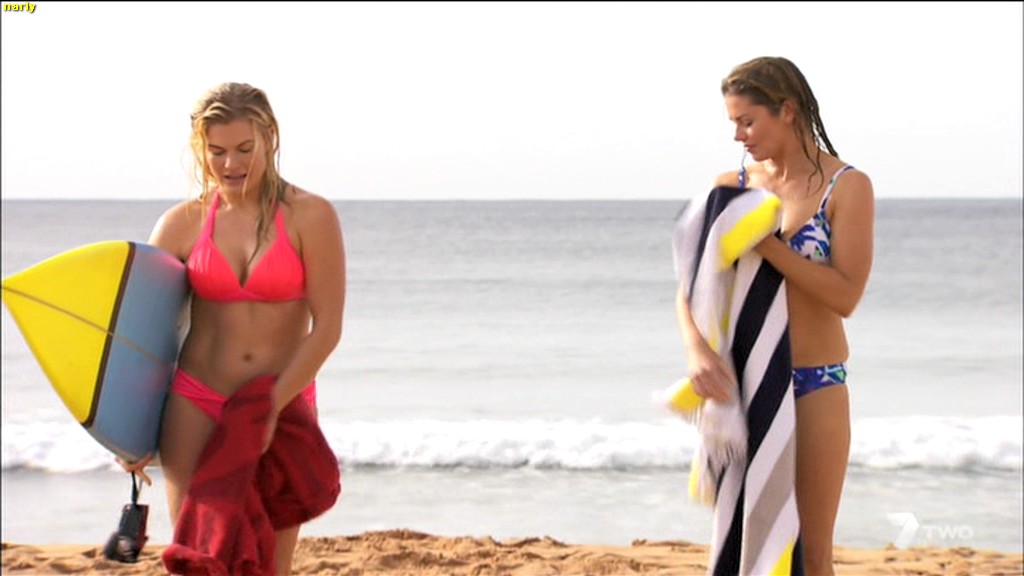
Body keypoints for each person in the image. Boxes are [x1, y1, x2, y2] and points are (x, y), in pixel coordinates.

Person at [120, 81, 346, 575]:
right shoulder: (181, 223)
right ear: (199, 150)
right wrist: (126, 431)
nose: (230, 164)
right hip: (195, 401)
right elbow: (141, 337)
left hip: (282, 401)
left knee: (270, 566)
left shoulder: (311, 216)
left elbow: (327, 328)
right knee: (201, 560)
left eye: (244, 148)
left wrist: (270, 407)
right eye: (216, 151)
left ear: (269, 138)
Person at [677, 56, 874, 575]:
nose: (738, 135)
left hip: (815, 383)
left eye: (747, 121)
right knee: (744, 546)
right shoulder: (731, 187)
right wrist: (697, 352)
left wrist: (765, 244)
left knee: (811, 553)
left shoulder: (846, 186)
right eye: (733, 123)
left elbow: (846, 295)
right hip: (743, 389)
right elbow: (692, 287)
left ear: (786, 110)